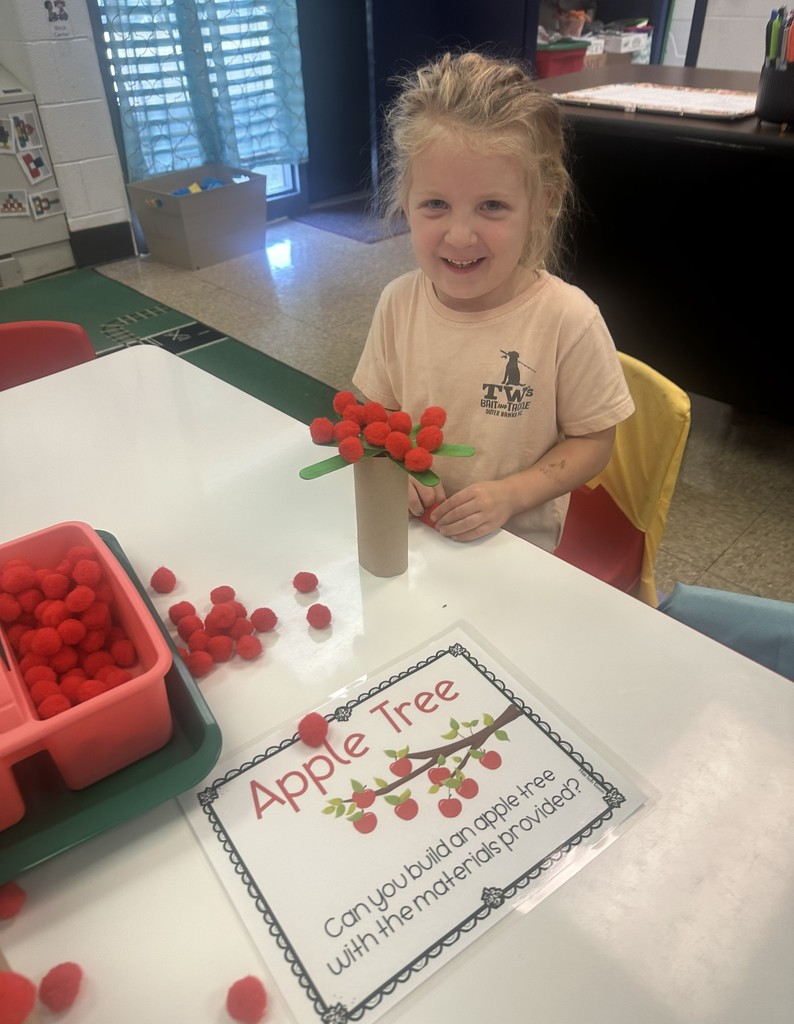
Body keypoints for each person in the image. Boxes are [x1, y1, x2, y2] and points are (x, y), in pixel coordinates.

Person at [352, 51, 635, 552]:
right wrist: (390, 465)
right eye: (436, 204)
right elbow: (373, 413)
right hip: (415, 538)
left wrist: (511, 494)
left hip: (515, 548)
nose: (460, 236)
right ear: (405, 198)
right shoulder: (398, 303)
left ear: (542, 204)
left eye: (492, 206)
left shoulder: (568, 320)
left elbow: (594, 440)